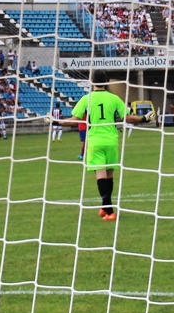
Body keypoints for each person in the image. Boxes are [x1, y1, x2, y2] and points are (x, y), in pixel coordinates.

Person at [57, 72, 155, 221]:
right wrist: (143, 119)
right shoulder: (114, 98)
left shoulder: (86, 99)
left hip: (95, 140)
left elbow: (74, 120)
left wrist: (56, 122)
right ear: (107, 81)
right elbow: (127, 118)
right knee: (109, 175)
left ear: (92, 81)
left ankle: (110, 211)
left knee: (100, 175)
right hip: (111, 140)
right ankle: (104, 207)